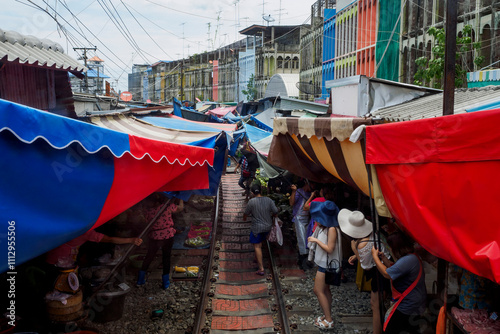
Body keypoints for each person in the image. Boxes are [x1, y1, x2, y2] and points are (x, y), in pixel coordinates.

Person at [337, 209, 391, 334]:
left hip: (380, 272)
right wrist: (357, 254)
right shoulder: (371, 234)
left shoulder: (361, 244)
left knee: (376, 306)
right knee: (376, 303)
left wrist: (355, 251)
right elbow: (370, 251)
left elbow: (366, 267)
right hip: (386, 266)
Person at [371, 231, 426, 334]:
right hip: (414, 303)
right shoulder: (410, 257)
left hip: (408, 304)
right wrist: (383, 258)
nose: (390, 249)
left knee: (391, 329)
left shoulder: (408, 260)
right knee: (409, 328)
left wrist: (374, 257)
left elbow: (387, 273)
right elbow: (395, 268)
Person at [307, 200, 341, 330]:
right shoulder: (327, 227)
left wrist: (315, 240)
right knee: (325, 290)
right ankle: (327, 315)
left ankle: (329, 319)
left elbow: (330, 248)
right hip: (324, 263)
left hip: (326, 265)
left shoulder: (331, 229)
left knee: (318, 290)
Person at [136, 195, 184, 289]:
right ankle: (165, 282)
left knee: (149, 256)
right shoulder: (166, 206)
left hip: (154, 237)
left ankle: (140, 279)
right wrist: (182, 198)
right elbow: (180, 208)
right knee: (166, 257)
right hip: (168, 235)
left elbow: (145, 220)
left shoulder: (147, 211)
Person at [46, 230, 143, 269]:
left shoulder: (71, 225)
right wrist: (131, 240)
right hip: (61, 263)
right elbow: (110, 239)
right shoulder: (86, 231)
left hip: (50, 257)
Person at [243, 183, 278, 276]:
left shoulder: (251, 202)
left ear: (252, 193)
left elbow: (246, 213)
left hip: (257, 228)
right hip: (268, 227)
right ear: (261, 190)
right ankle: (256, 257)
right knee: (261, 242)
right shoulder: (269, 200)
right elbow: (275, 211)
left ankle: (261, 268)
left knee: (257, 246)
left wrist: (245, 217)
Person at [289, 179, 312, 269]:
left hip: (307, 220)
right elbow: (291, 203)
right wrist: (294, 191)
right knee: (300, 240)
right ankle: (301, 261)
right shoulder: (299, 192)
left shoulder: (310, 194)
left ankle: (306, 259)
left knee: (306, 239)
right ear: (307, 184)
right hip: (298, 219)